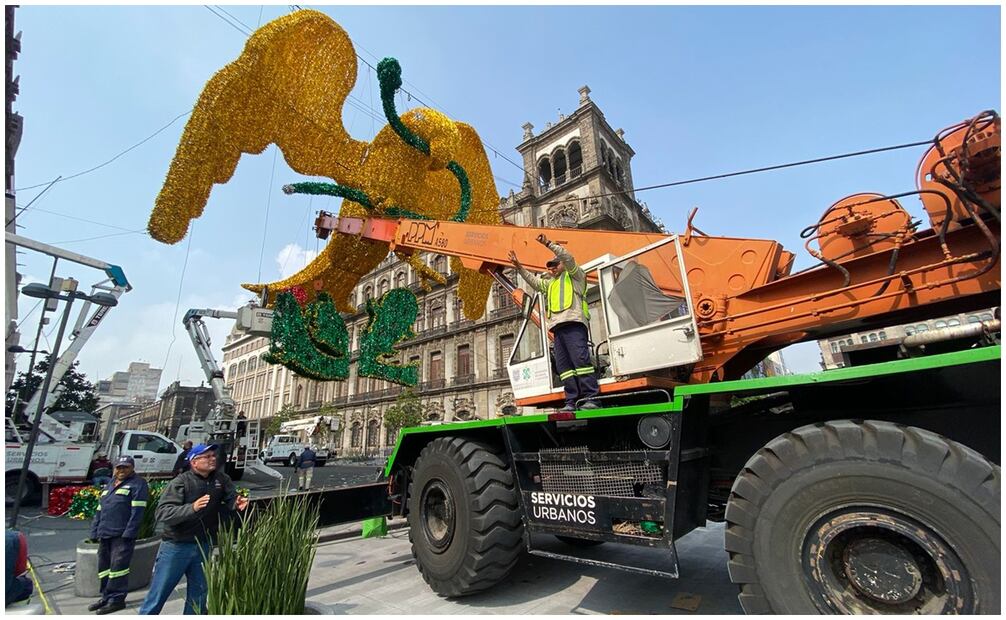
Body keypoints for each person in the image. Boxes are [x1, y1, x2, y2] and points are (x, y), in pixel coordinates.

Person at [138, 443, 249, 615]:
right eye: (207, 456)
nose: (213, 459)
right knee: (159, 593)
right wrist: (192, 508)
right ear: (194, 462)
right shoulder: (181, 482)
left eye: (213, 456)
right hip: (176, 546)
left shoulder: (221, 479)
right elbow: (163, 513)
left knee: (199, 593)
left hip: (203, 544)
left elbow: (230, 497)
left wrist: (237, 502)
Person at [509, 233, 600, 412]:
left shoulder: (575, 276)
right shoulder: (549, 284)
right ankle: (571, 401)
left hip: (574, 323)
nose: (551, 268)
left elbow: (568, 257)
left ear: (563, 265)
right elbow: (533, 281)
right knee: (564, 367)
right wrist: (518, 267)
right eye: (549, 266)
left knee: (580, 361)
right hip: (557, 329)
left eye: (554, 264)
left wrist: (549, 244)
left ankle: (592, 398)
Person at [87, 456, 149, 615]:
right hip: (105, 532)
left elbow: (137, 511)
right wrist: (94, 531)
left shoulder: (138, 484)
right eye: (119, 467)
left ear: (132, 468)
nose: (121, 470)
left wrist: (130, 532)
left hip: (122, 534)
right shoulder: (110, 483)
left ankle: (117, 599)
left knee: (118, 568)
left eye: (125, 467)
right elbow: (100, 510)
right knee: (104, 568)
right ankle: (106, 596)